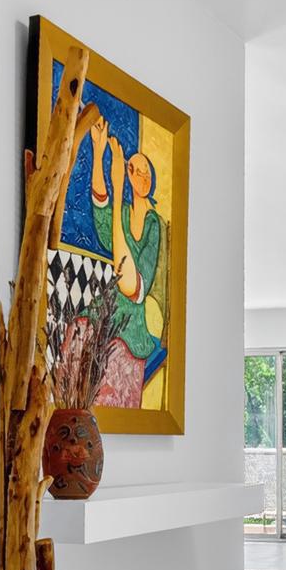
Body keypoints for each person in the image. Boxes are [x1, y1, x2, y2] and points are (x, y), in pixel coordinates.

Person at [84, 114, 167, 399]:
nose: (140, 176)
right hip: (106, 310)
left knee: (114, 358)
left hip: (130, 323)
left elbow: (130, 285)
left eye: (145, 171)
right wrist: (98, 154)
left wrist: (118, 189)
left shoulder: (154, 224)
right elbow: (102, 214)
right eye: (133, 170)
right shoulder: (122, 214)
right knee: (78, 332)